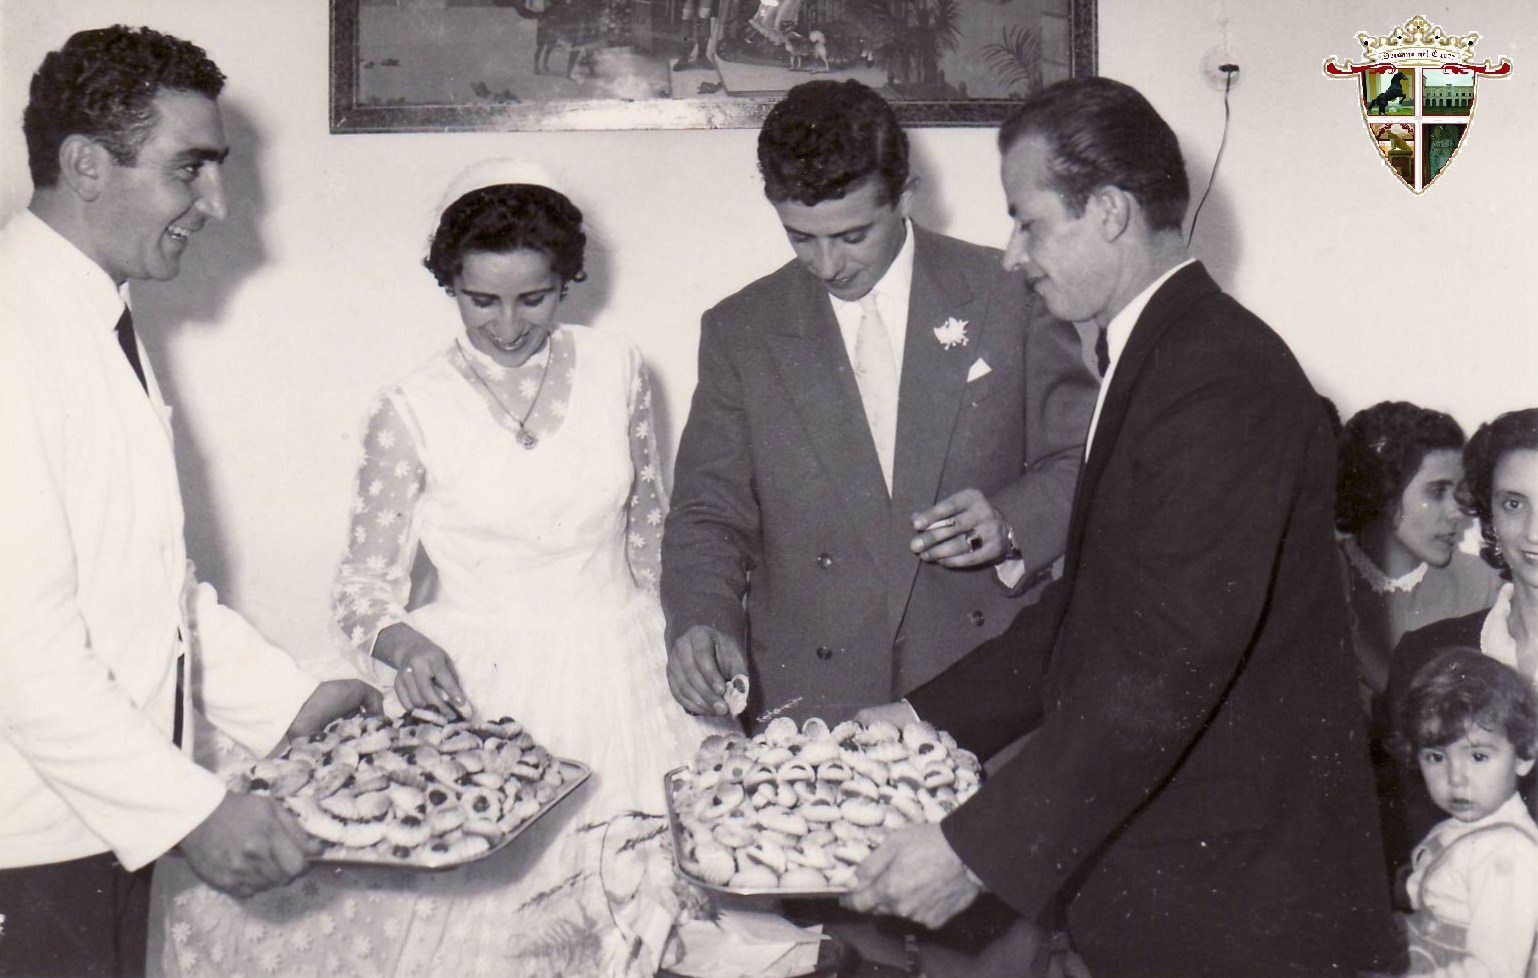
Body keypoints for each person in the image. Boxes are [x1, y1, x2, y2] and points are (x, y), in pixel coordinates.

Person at [845, 77, 1400, 977]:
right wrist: (915, 719)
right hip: (1196, 892)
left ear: (1107, 211)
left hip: (1242, 912)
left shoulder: (1217, 376)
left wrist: (974, 852)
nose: (1012, 256)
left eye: (1028, 223)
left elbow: (1166, 658)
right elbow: (1094, 611)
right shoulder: (1161, 352)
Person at [155, 162, 725, 978]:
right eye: (481, 300)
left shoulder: (620, 368)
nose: (507, 326)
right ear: (450, 285)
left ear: (567, 282)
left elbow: (649, 531)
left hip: (624, 663)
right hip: (484, 684)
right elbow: (362, 591)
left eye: (534, 298)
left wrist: (686, 636)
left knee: (655, 917)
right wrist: (404, 646)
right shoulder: (411, 408)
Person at [0, 26, 379, 978]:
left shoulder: (93, 314)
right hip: (26, 843)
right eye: (189, 169)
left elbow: (145, 587)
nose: (215, 203)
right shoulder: (13, 333)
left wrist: (293, 702)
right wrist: (193, 813)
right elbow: (19, 643)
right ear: (87, 165)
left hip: (94, 828)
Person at [662, 78, 1097, 731]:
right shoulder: (741, 330)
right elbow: (708, 511)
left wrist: (1011, 521)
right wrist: (702, 620)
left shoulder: (1009, 293)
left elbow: (1087, 459)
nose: (827, 264)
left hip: (979, 681)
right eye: (800, 237)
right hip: (811, 703)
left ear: (905, 195)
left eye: (853, 234)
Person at [1385, 408, 1538, 868]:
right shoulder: (1424, 656)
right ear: (1489, 513)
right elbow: (1409, 835)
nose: (1534, 532)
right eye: (1514, 504)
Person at [1336, 401, 1501, 708]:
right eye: (1437, 492)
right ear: (1383, 490)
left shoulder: (1484, 586)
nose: (1457, 512)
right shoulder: (1320, 571)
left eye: (1459, 493)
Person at [1391, 649, 1538, 978]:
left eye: (1478, 756)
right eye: (1436, 757)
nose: (1455, 778)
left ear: (1524, 755)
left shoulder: (1506, 853)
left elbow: (1495, 971)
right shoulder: (1461, 829)